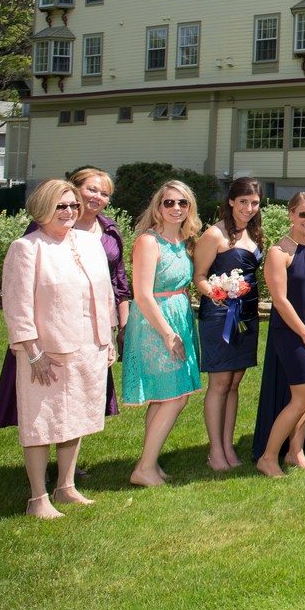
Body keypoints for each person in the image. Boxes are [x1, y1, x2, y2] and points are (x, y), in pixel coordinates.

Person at [0, 179, 116, 518]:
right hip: (46, 353)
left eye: (73, 206)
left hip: (88, 347)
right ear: (42, 209)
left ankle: (65, 487)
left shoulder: (89, 243)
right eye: (61, 206)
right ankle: (38, 498)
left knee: (76, 417)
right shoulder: (27, 248)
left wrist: (106, 341)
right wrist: (33, 352)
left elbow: (104, 294)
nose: (69, 212)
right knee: (41, 422)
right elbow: (17, 307)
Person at [0, 167, 129, 441]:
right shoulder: (43, 232)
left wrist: (118, 326)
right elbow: (24, 286)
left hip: (94, 330)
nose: (97, 197)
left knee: (81, 403)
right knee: (44, 405)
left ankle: (68, 472)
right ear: (74, 188)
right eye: (91, 189)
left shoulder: (108, 230)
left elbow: (118, 279)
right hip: (50, 332)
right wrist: (32, 345)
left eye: (104, 193)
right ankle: (41, 467)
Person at [121, 180, 203, 487]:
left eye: (182, 203)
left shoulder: (183, 240)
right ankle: (143, 467)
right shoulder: (148, 242)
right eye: (169, 202)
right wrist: (168, 334)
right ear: (158, 206)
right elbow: (142, 294)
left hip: (179, 315)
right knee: (174, 397)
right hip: (155, 324)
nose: (176, 208)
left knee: (165, 396)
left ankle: (149, 463)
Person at [252, 192, 305, 477]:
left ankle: (295, 451)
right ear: (291, 215)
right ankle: (268, 456)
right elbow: (280, 300)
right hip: (292, 332)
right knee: (302, 398)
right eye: (303, 214)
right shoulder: (279, 253)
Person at [193, 177, 263, 472]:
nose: (248, 208)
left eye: (254, 202)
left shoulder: (253, 233)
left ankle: (228, 443)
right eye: (243, 201)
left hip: (246, 316)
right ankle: (215, 451)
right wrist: (218, 293)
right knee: (220, 383)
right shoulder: (214, 234)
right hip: (221, 316)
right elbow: (198, 277)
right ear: (231, 201)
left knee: (235, 383)